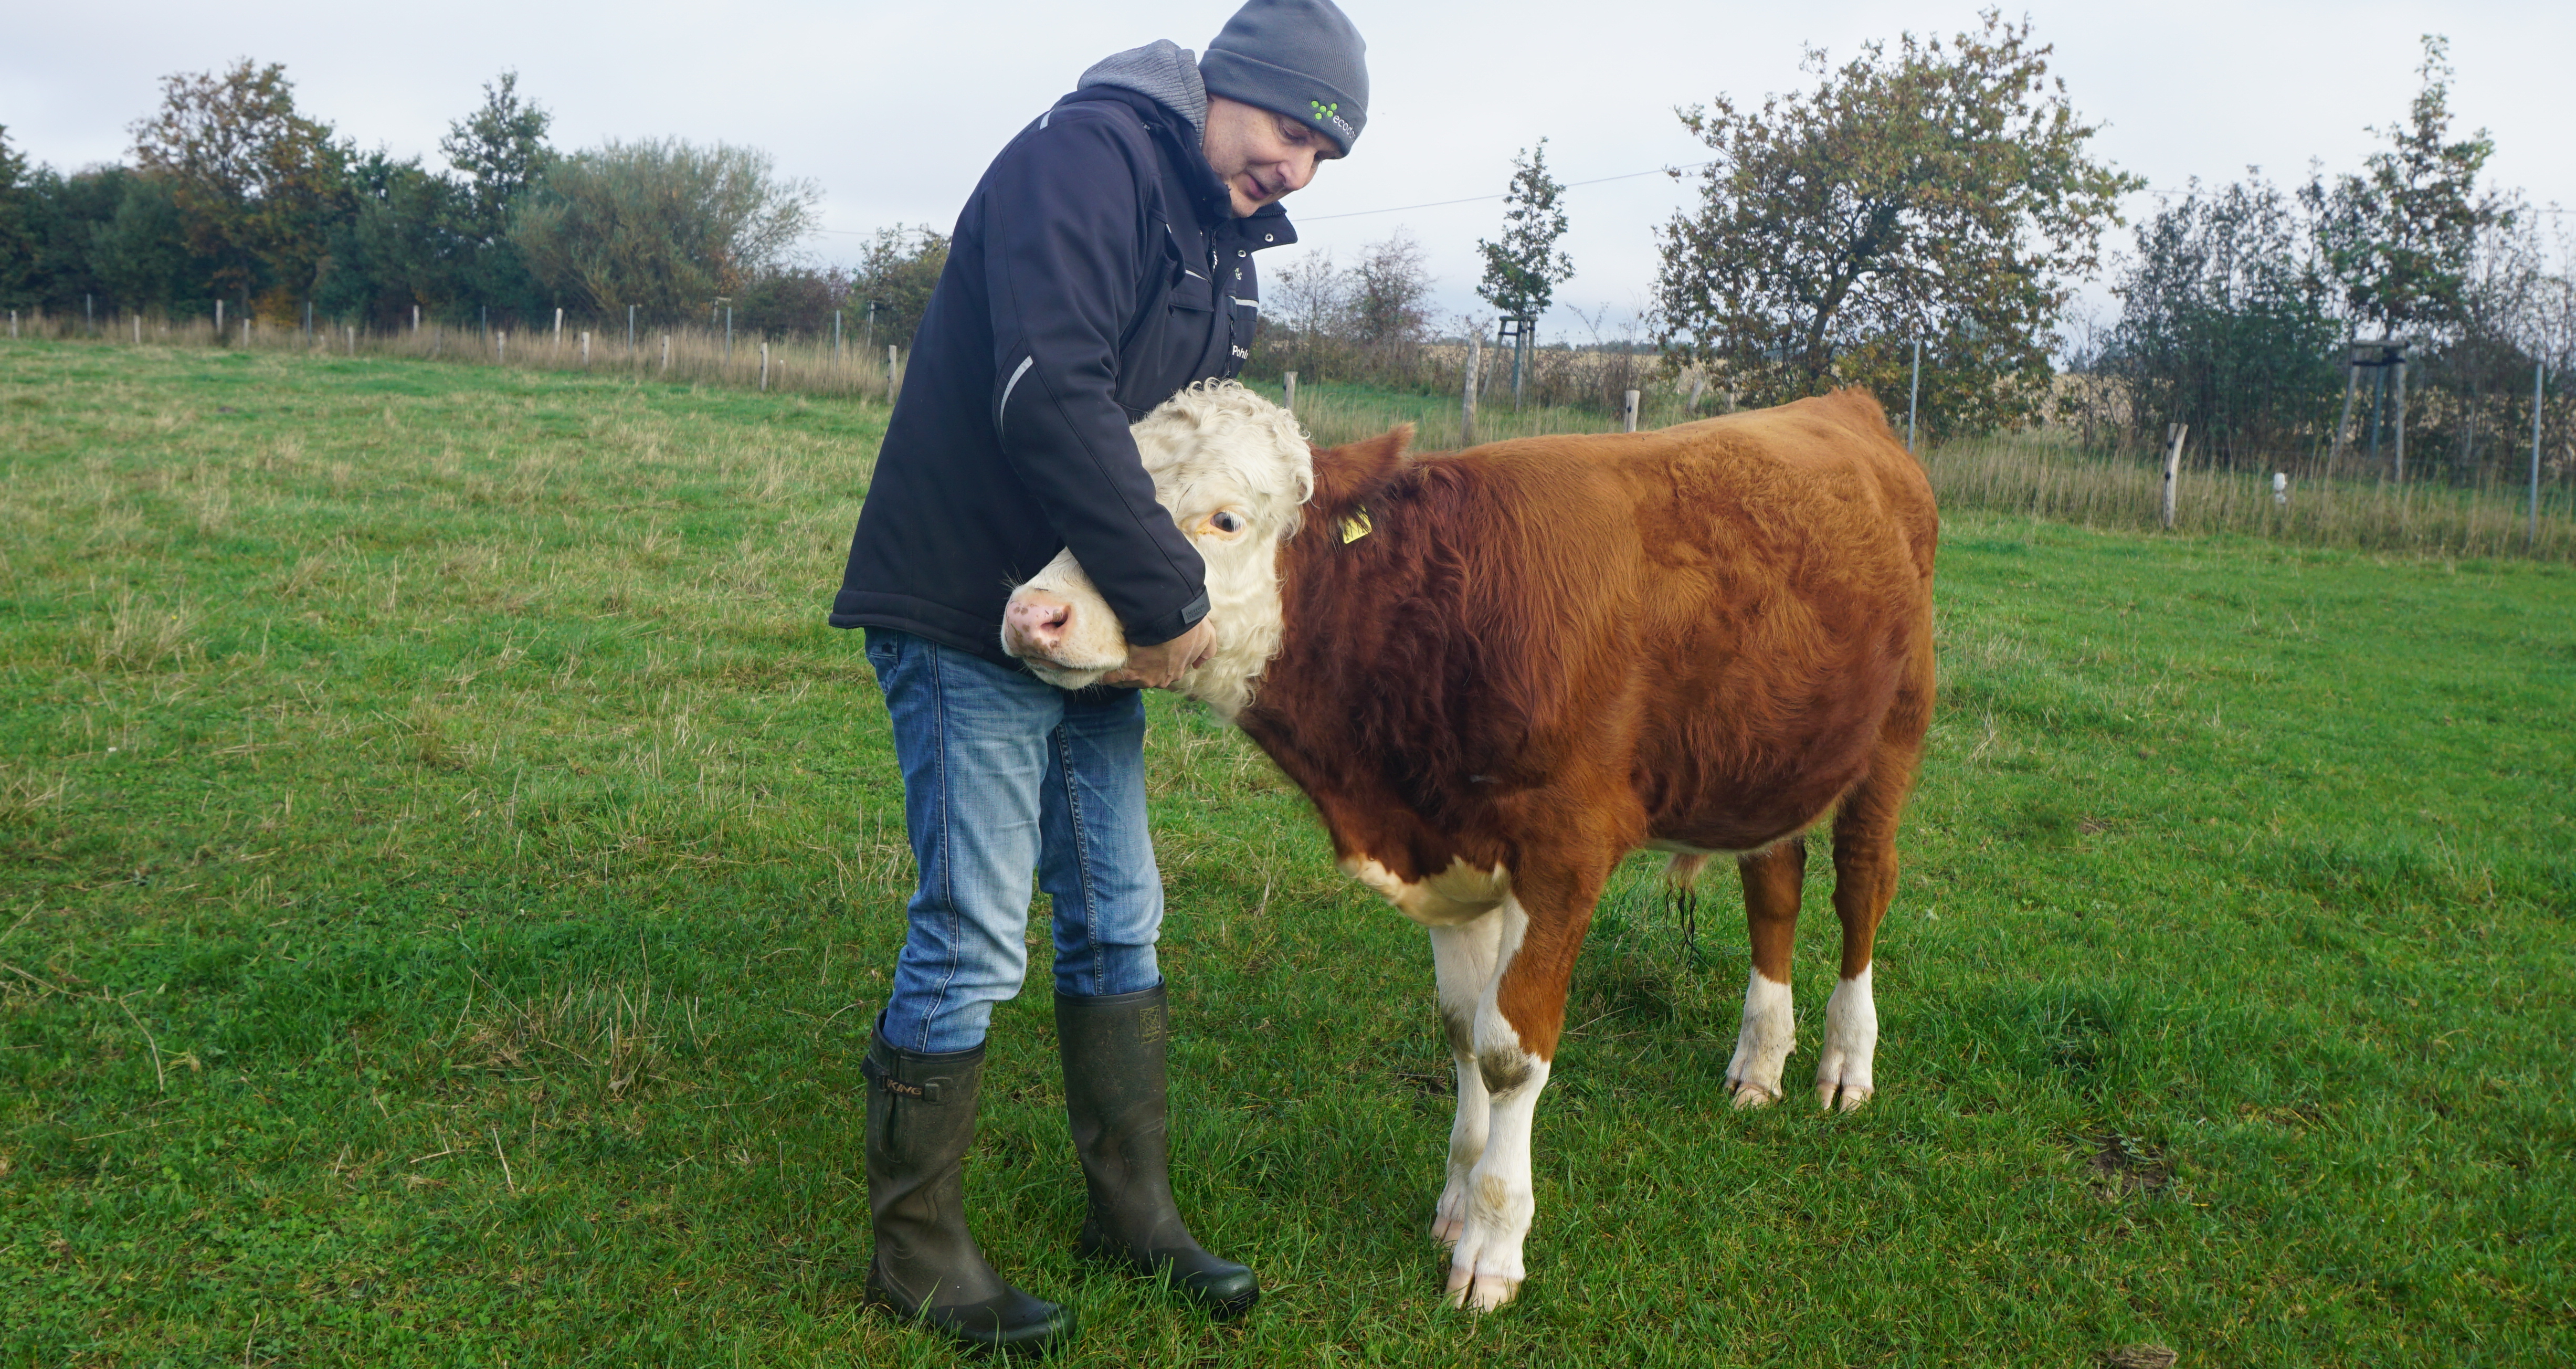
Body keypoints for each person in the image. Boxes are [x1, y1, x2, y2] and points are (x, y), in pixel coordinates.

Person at [826, 1, 1368, 1353]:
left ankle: (1130, 1210)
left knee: (1122, 913)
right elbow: (1045, 390)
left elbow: (1176, 457)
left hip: (1089, 621)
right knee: (972, 926)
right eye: (1286, 130)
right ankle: (916, 1251)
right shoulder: (1090, 158)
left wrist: (1161, 598)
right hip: (967, 602)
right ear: (1223, 89)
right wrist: (1175, 595)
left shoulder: (1223, 240)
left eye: (1322, 155)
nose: (1294, 169)